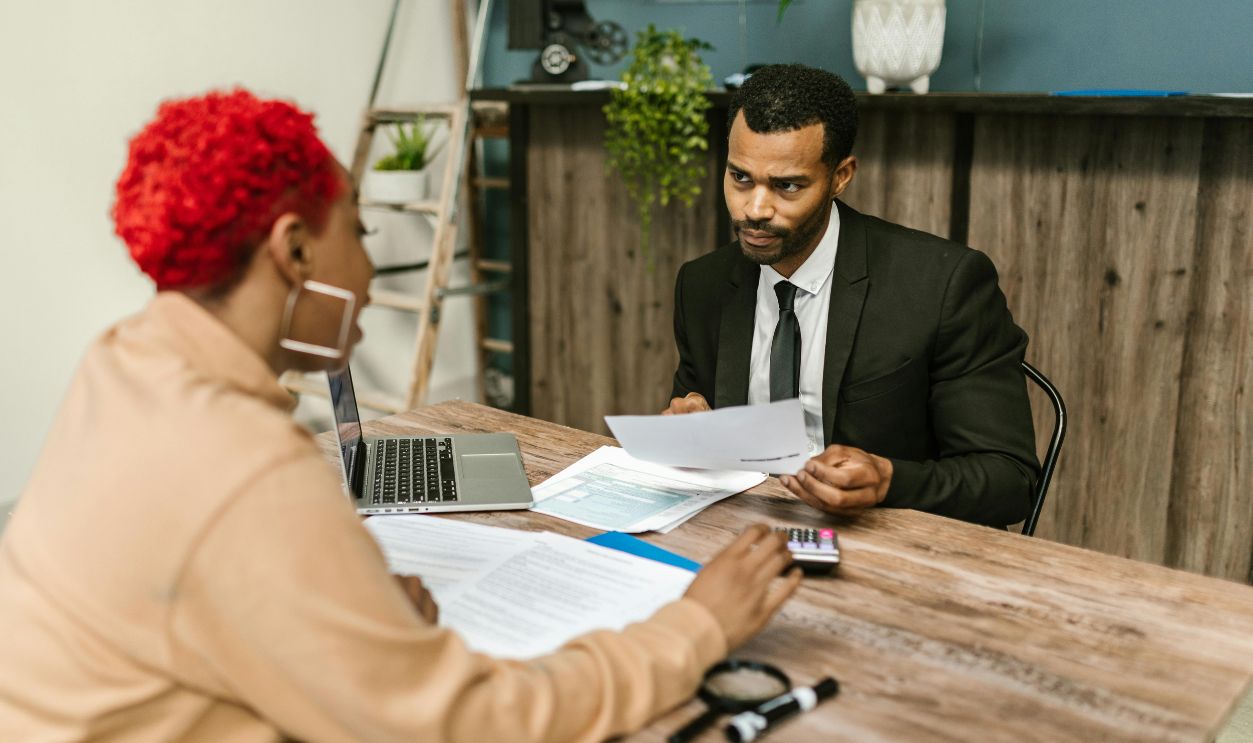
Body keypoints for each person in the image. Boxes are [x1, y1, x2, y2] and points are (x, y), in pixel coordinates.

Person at [0, 89, 801, 743]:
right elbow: (472, 724)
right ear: (295, 251)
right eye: (361, 228)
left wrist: (347, 619)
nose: (371, 258)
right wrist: (693, 629)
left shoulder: (124, 360)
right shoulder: (245, 466)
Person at [665, 65, 1039, 528]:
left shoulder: (942, 285)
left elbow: (1009, 481)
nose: (755, 209)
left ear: (841, 176)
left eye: (787, 186)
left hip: (888, 542)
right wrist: (686, 431)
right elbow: (697, 429)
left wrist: (889, 482)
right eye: (741, 178)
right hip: (743, 533)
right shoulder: (704, 286)